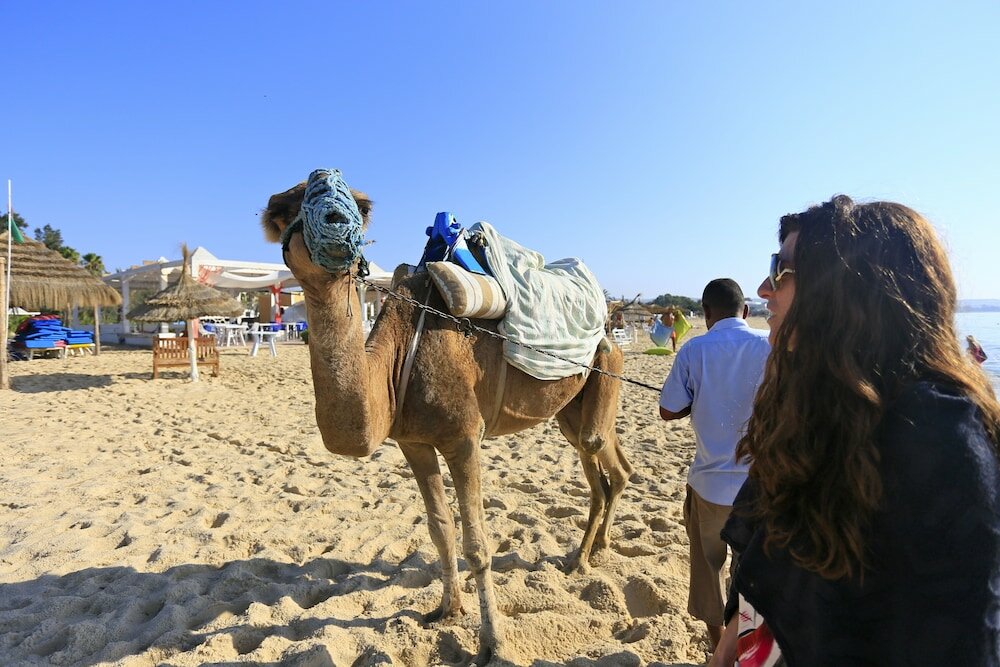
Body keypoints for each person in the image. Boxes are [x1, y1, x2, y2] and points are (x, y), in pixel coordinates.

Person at [709, 196, 1000, 666]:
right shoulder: (815, 402)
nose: (764, 289)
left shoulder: (941, 436)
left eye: (781, 269)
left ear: (846, 289)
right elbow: (762, 555)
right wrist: (733, 635)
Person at [659, 278, 770, 649]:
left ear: (706, 314)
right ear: (746, 311)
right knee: (751, 573)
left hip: (708, 485)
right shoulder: (769, 346)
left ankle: (716, 639)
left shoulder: (694, 350)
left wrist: (694, 401)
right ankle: (745, 646)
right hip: (758, 486)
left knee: (708, 569)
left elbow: (667, 410)